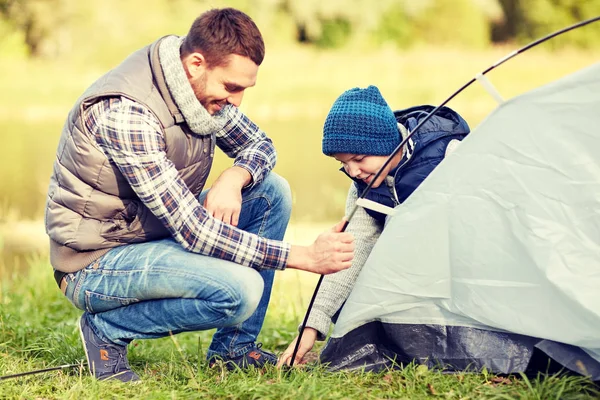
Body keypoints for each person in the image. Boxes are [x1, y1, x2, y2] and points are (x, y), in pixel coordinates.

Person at [45, 8, 354, 382]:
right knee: (242, 291)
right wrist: (303, 256)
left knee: (271, 192)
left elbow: (261, 145)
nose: (237, 101)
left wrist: (233, 177)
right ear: (196, 63)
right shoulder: (129, 114)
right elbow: (194, 231)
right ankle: (106, 332)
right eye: (232, 87)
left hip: (151, 235)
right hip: (94, 263)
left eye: (244, 88)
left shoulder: (201, 91)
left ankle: (233, 351)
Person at [278, 85, 470, 367]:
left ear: (388, 144)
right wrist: (310, 329)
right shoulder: (364, 186)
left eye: (358, 159)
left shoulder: (449, 155)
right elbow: (349, 254)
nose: (353, 172)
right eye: (343, 163)